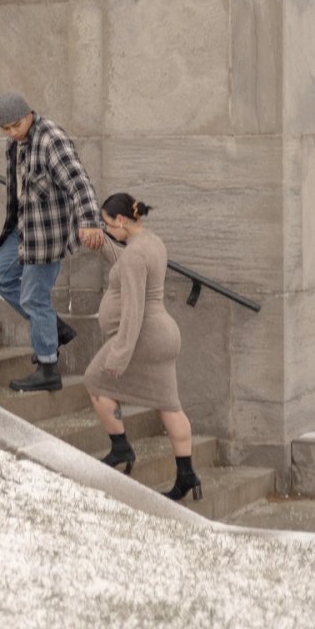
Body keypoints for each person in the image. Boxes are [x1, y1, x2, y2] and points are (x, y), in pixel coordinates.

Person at [83, 193, 201, 502]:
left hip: (145, 338)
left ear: (121, 220)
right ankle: (187, 475)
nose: (108, 230)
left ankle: (121, 448)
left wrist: (119, 355)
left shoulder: (135, 255)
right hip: (164, 335)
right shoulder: (151, 242)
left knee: (95, 381)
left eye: (108, 225)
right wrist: (102, 244)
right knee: (169, 406)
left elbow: (133, 310)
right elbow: (126, 264)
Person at [0, 92, 105, 394]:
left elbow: (79, 182)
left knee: (33, 298)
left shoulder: (51, 139)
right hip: (23, 228)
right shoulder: (15, 144)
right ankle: (53, 327)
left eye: (16, 125)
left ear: (29, 114)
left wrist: (90, 221)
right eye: (5, 129)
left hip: (47, 236)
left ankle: (48, 368)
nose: (12, 133)